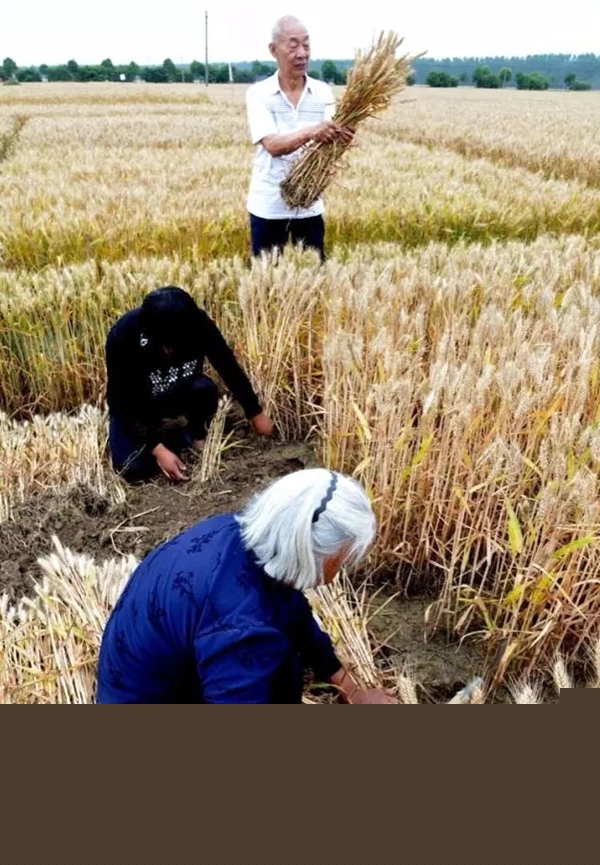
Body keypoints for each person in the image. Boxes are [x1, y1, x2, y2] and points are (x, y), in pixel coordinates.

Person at [96, 468, 397, 704]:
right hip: (145, 700)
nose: (342, 569)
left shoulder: (240, 533)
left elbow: (294, 612)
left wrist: (350, 688)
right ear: (308, 553)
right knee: (280, 671)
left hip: (143, 671)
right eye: (341, 560)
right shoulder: (245, 628)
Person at [105, 286, 274, 483]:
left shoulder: (197, 323)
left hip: (180, 393)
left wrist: (255, 412)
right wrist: (157, 448)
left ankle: (193, 434)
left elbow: (227, 365)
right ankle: (165, 442)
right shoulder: (125, 334)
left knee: (203, 388)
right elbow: (121, 400)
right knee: (132, 470)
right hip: (137, 405)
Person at [245, 15, 354, 261]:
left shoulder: (322, 92)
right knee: (266, 283)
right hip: (269, 205)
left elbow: (331, 145)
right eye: (293, 45)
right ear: (273, 50)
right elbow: (272, 145)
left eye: (306, 44)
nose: (302, 53)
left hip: (309, 206)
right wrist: (313, 131)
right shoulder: (259, 94)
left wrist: (344, 136)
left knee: (313, 281)